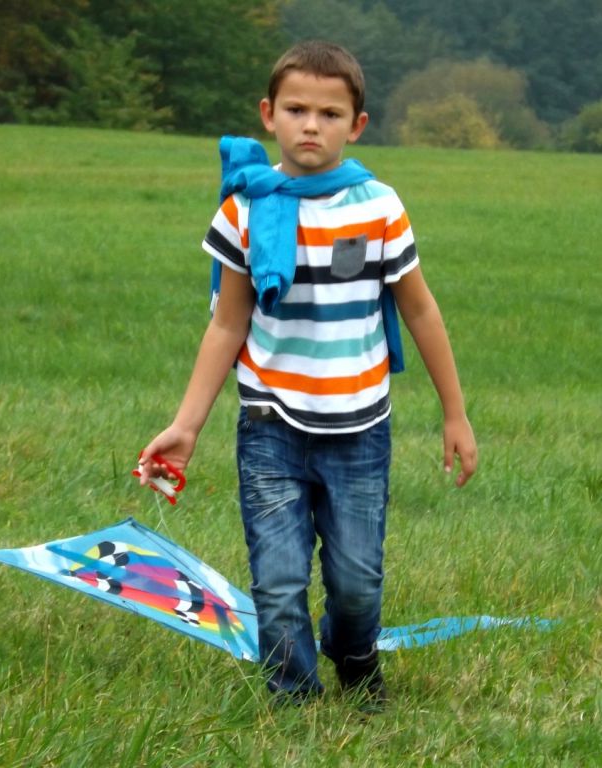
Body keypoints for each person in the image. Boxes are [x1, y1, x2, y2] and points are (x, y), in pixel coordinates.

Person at [139, 40, 477, 709]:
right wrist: (186, 425)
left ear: (357, 125)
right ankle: (291, 694)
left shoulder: (378, 206)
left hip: (360, 431)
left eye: (329, 113)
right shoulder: (244, 208)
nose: (311, 125)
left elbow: (420, 309)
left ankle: (354, 658)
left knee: (356, 583)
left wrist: (454, 412)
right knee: (277, 580)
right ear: (269, 115)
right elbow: (227, 326)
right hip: (269, 425)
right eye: (296, 110)